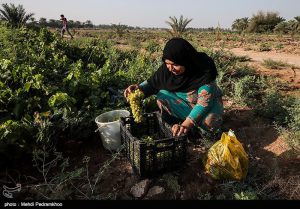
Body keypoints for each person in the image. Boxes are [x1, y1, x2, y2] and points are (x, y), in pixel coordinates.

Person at [124, 37, 224, 138]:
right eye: (167, 64)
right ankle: (184, 127)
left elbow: (203, 104)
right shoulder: (167, 69)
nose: (171, 68)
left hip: (208, 106)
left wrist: (186, 125)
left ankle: (190, 127)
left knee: (211, 121)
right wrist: (138, 89)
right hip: (183, 104)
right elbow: (152, 84)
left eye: (175, 64)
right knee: (162, 97)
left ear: (186, 61)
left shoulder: (204, 70)